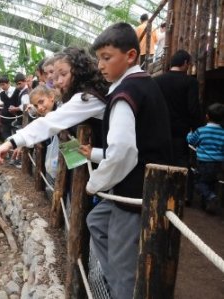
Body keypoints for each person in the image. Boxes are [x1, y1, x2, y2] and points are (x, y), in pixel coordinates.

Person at [79, 22, 172, 299]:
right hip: (138, 188)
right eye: (99, 59)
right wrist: (95, 154)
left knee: (124, 263)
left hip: (135, 193)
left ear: (130, 55)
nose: (100, 65)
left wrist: (95, 183)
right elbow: (136, 146)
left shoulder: (125, 94)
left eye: (107, 58)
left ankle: (122, 289)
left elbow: (123, 152)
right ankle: (116, 284)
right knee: (96, 220)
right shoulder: (143, 85)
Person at [0, 46, 108, 165]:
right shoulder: (88, 93)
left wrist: (10, 143)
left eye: (63, 74)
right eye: (56, 76)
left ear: (80, 70)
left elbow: (50, 122)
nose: (58, 82)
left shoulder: (88, 97)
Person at [154, 49, 202, 167]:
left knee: (159, 164)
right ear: (185, 62)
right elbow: (193, 108)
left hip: (159, 131)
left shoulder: (156, 80)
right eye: (189, 64)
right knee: (179, 167)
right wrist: (198, 129)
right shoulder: (190, 82)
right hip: (180, 133)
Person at [187, 103, 224, 214]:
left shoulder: (201, 131)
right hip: (217, 163)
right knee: (211, 183)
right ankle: (207, 205)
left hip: (203, 162)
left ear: (207, 116)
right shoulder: (223, 133)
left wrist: (189, 134)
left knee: (199, 183)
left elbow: (191, 141)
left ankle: (211, 197)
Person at [0, 76, 16, 142]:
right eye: (0, 85)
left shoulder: (15, 91)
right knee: (5, 135)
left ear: (8, 83)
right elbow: (5, 104)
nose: (2, 87)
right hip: (5, 118)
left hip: (14, 117)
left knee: (15, 135)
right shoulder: (2, 94)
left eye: (3, 84)